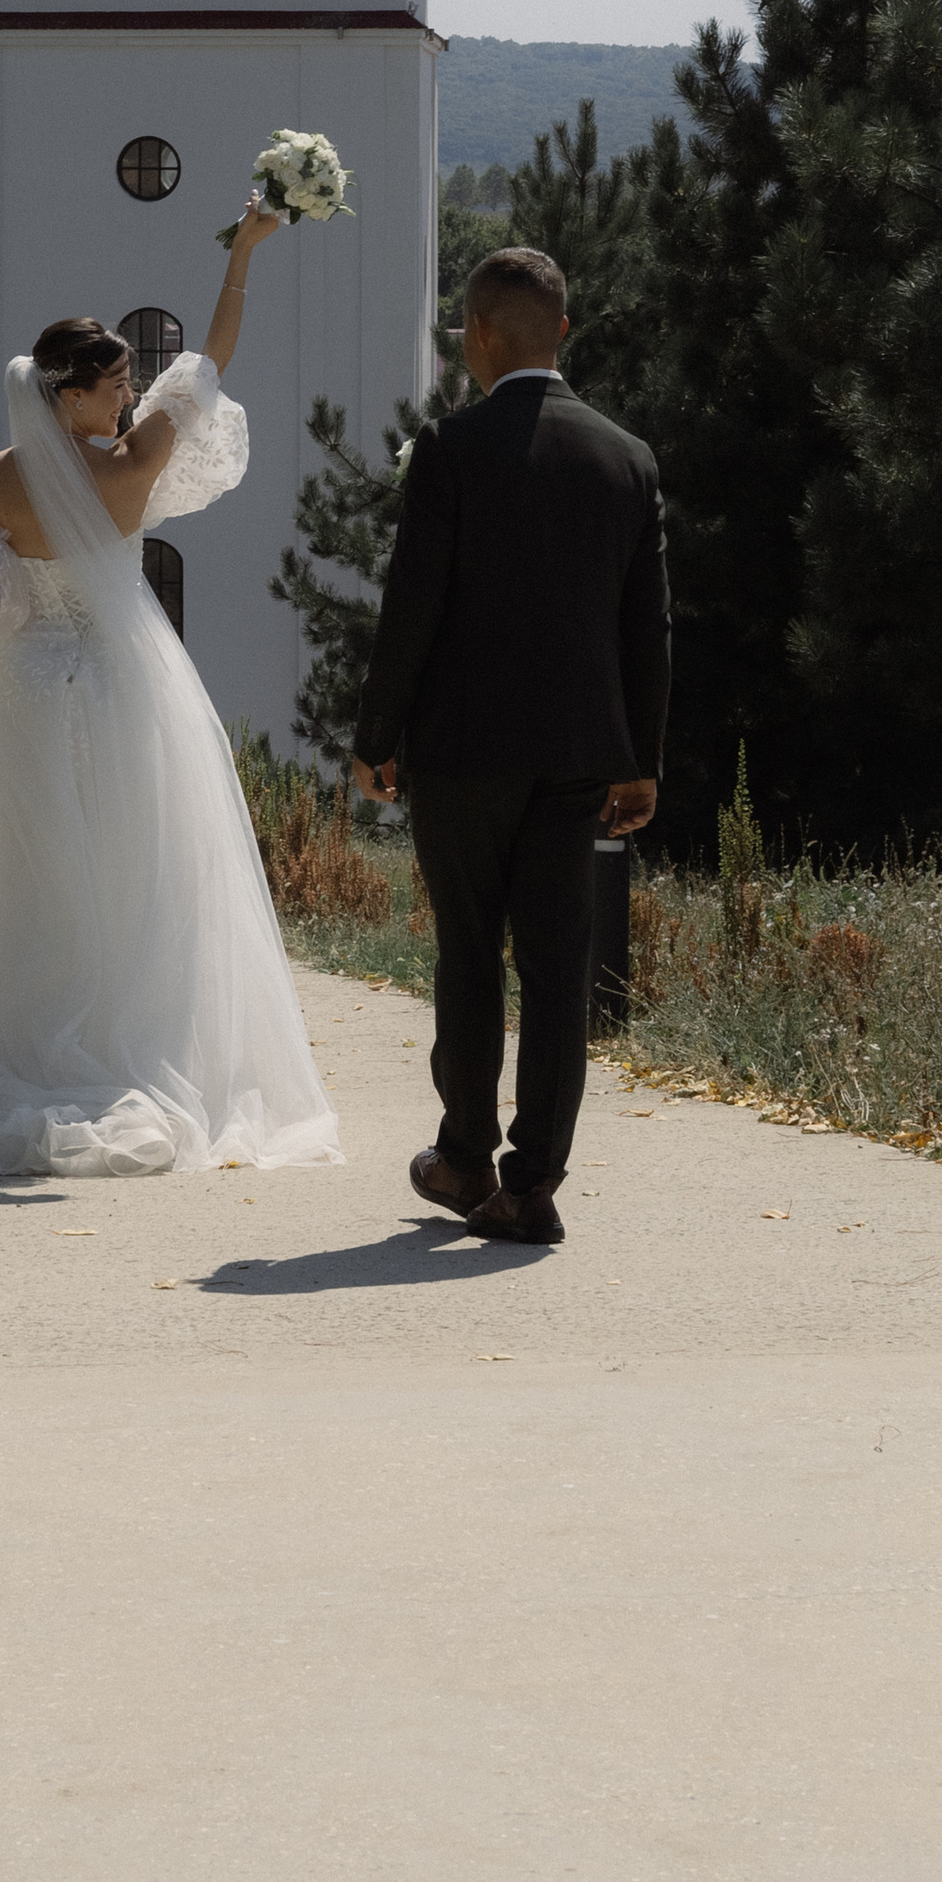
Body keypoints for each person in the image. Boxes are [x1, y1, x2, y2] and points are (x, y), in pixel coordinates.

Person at [0, 195, 343, 1178]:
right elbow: (209, 361)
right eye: (116, 381)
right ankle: (139, 1049)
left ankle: (26, 1051)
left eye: (130, 382)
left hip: (28, 700)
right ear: (72, 394)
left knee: (35, 885)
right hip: (128, 688)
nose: (129, 396)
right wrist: (243, 256)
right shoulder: (132, 464)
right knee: (146, 879)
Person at [350, 245, 669, 1245]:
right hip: (579, 755)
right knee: (557, 966)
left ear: (478, 333)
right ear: (560, 331)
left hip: (461, 749)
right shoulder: (626, 456)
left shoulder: (450, 448)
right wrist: (639, 759)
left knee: (469, 958)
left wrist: (376, 737)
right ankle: (531, 1186)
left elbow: (413, 609)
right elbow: (644, 627)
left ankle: (460, 1156)